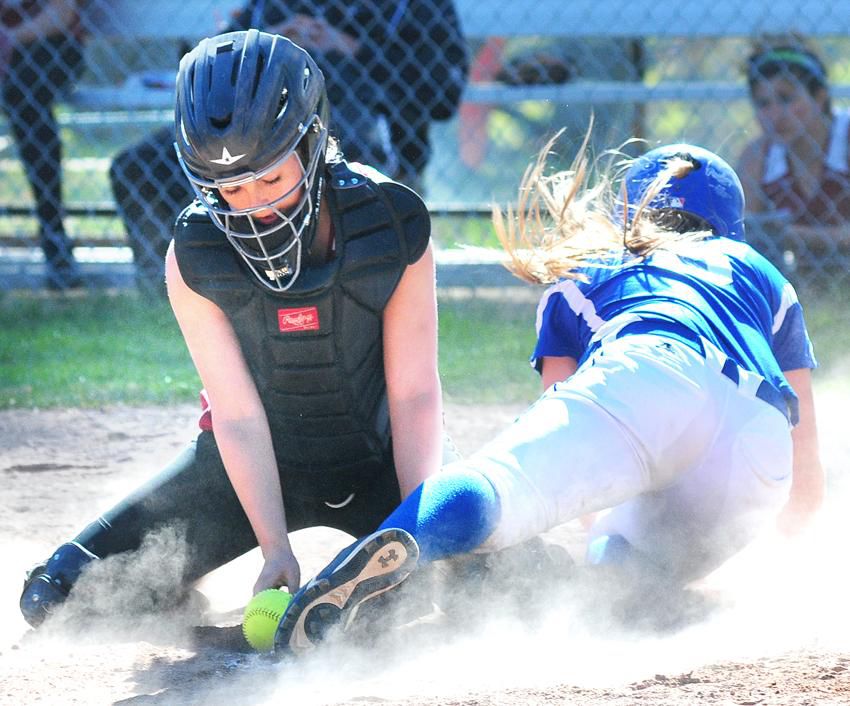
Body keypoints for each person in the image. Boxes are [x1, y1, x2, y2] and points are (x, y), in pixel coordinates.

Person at [272, 137, 824, 656]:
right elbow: (806, 460)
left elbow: (563, 415)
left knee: (506, 482)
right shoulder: (764, 275)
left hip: (651, 367)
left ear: (625, 215)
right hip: (758, 441)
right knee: (625, 572)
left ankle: (393, 544)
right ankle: (624, 588)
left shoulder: (590, 268)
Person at [20, 30, 448, 628]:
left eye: (271, 179)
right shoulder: (195, 252)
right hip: (247, 468)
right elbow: (238, 416)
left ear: (313, 140)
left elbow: (413, 394)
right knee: (57, 600)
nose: (252, 206)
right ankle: (173, 599)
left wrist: (416, 533)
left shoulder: (390, 226)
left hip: (379, 462)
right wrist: (274, 547)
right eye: (228, 186)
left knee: (496, 587)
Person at [109, 0, 466, 292]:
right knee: (137, 167)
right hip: (248, 144)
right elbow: (210, 68)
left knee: (337, 178)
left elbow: (441, 93)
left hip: (356, 135)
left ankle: (336, 293)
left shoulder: (411, 6)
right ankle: (174, 300)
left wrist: (349, 46)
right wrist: (268, 47)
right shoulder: (272, 5)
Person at [737, 38, 850, 262]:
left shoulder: (846, 137)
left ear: (819, 97)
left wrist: (792, 236)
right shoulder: (757, 157)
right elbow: (740, 237)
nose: (775, 114)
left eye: (786, 99)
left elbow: (766, 235)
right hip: (797, 286)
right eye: (763, 104)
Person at [1, 0, 87, 289]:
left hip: (49, 46)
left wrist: (9, 38)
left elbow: (62, 13)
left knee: (25, 95)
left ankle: (54, 236)